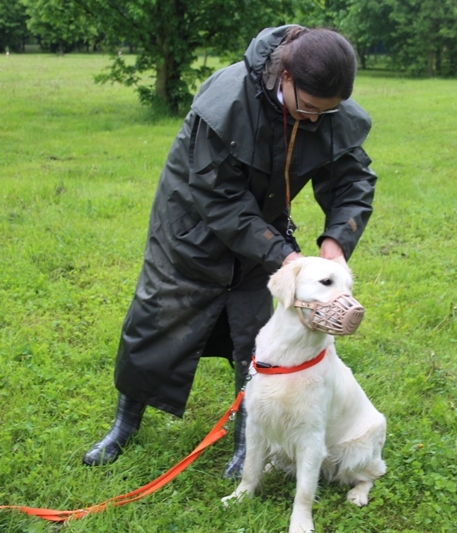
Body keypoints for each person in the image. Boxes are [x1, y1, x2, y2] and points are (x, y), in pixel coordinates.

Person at [83, 24, 378, 476]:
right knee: (155, 324)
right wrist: (285, 256)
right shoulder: (227, 101)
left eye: (328, 112)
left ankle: (247, 440)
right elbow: (220, 200)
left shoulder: (322, 104)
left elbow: (353, 180)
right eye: (311, 109)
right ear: (285, 77)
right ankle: (124, 424)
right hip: (189, 229)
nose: (318, 120)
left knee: (255, 333)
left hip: (264, 231)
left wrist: (335, 243)